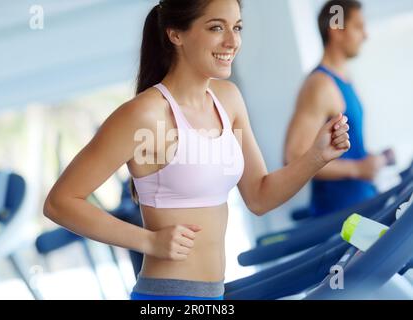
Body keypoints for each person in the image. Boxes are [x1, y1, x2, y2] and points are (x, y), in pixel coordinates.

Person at [43, 0, 350, 300]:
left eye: (237, 27)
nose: (232, 41)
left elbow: (259, 196)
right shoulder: (145, 115)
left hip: (214, 293)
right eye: (217, 28)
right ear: (175, 34)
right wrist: (148, 241)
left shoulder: (228, 99)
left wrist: (316, 157)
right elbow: (60, 202)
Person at [284, 0, 390, 217]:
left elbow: (349, 148)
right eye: (358, 27)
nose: (365, 35)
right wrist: (357, 168)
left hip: (363, 204)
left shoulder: (343, 80)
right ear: (337, 30)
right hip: (340, 217)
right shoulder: (320, 84)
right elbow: (294, 157)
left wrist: (368, 161)